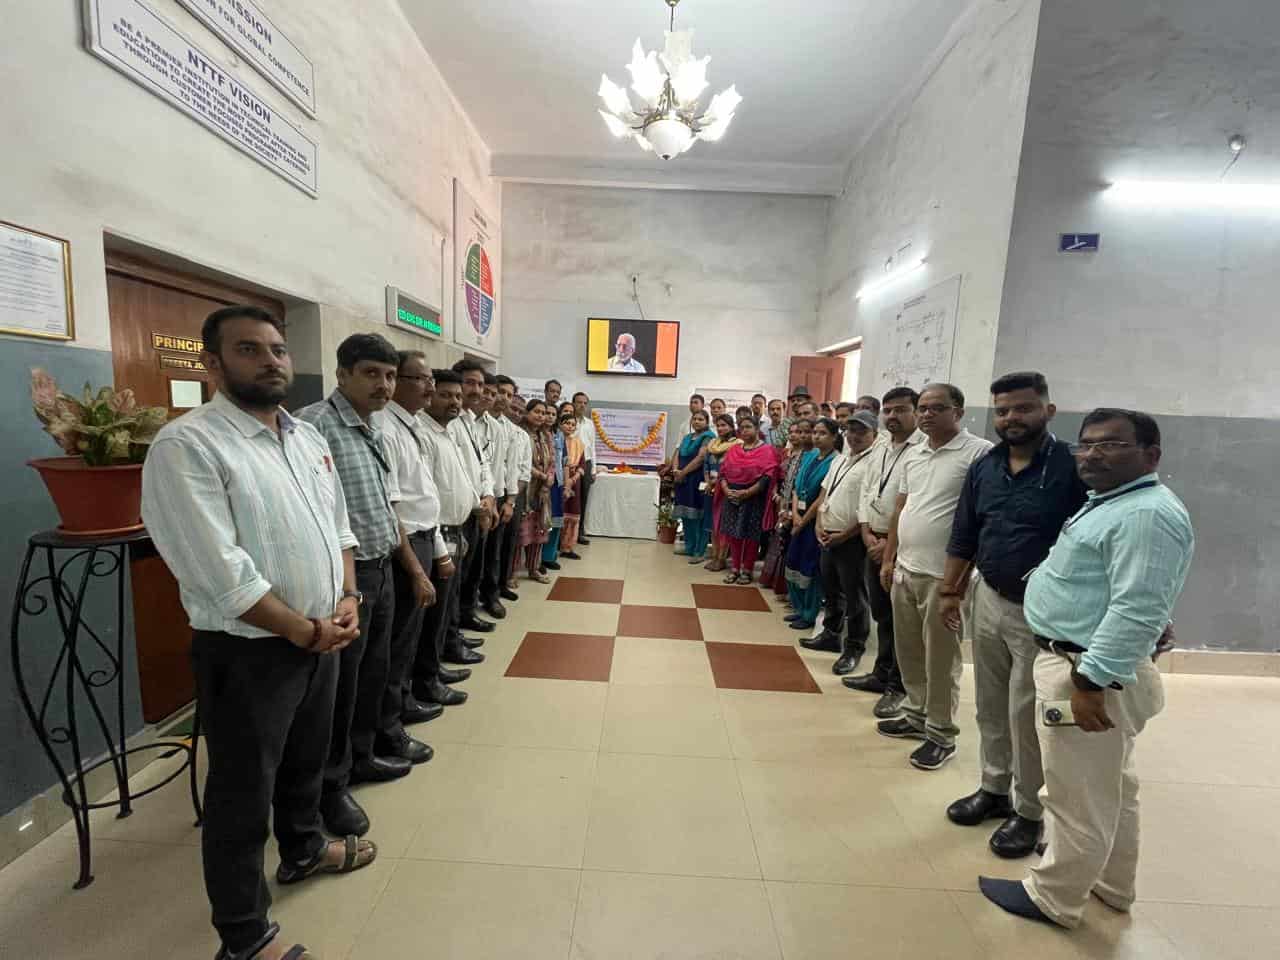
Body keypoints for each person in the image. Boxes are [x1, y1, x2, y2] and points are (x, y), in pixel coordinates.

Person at [142, 306, 376, 960]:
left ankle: (303, 850)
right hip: (250, 654)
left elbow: (339, 530)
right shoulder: (188, 446)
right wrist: (302, 629)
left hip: (322, 637)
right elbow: (220, 575)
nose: (271, 360)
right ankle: (245, 938)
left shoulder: (306, 438)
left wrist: (348, 598)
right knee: (242, 796)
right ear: (213, 364)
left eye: (277, 349)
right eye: (250, 349)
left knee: (306, 762)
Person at [979, 409, 1194, 930]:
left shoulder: (1145, 514)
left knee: (1075, 793)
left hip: (1085, 669)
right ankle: (1111, 885)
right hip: (1084, 660)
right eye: (1087, 444)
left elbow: (1136, 609)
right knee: (1111, 785)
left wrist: (1091, 682)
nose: (1093, 454)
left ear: (1151, 455)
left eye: (1111, 445)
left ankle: (1054, 896)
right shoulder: (1114, 503)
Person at [941, 373, 1088, 859]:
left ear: (1048, 410)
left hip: (1040, 612)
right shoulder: (986, 466)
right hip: (987, 596)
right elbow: (965, 530)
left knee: (1025, 712)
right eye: (1003, 411)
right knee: (989, 702)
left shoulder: (1072, 467)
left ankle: (1028, 811)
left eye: (1023, 408)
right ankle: (994, 787)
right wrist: (950, 590)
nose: (1011, 419)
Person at [297, 334, 436, 832]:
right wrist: (346, 589)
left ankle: (361, 756)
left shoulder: (373, 427)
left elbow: (385, 507)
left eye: (390, 375)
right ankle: (329, 788)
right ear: (342, 374)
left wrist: (413, 568)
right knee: (340, 688)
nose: (384, 384)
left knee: (372, 674)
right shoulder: (313, 427)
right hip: (343, 580)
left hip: (380, 568)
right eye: (371, 373)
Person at [878, 384, 993, 770]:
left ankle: (941, 733)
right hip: (906, 570)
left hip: (944, 578)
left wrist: (956, 584)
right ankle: (915, 714)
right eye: (923, 408)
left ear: (958, 412)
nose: (926, 414)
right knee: (909, 650)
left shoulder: (979, 453)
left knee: (941, 659)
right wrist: (889, 559)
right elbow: (901, 508)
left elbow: (981, 520)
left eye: (936, 408)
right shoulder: (915, 453)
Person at [380, 353, 453, 756]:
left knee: (409, 637)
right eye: (422, 380)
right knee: (399, 641)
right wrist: (417, 566)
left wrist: (437, 549)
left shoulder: (410, 426)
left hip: (424, 537)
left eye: (430, 380)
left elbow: (424, 494)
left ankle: (403, 702)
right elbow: (394, 509)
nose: (430, 387)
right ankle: (389, 727)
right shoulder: (387, 429)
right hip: (404, 544)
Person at [845, 388, 923, 717]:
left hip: (898, 547)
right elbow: (867, 492)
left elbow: (911, 505)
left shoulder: (921, 450)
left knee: (900, 621)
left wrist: (887, 546)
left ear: (916, 412)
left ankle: (898, 686)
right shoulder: (882, 449)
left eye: (900, 410)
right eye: (887, 410)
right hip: (872, 540)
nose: (892, 416)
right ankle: (881, 673)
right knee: (882, 613)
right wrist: (866, 533)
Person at [414, 369, 483, 708]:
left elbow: (464, 479)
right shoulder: (423, 434)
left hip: (455, 530)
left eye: (457, 396)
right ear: (430, 395)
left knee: (445, 607)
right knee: (433, 614)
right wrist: (443, 546)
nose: (454, 401)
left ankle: (435, 668)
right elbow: (427, 495)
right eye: (446, 395)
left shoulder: (448, 432)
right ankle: (426, 681)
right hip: (436, 535)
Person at [810, 411, 880, 674]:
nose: (854, 436)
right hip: (827, 534)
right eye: (851, 431)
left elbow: (867, 508)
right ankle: (830, 634)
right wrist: (819, 523)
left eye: (862, 431)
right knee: (831, 588)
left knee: (855, 595)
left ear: (875, 434)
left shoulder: (874, 463)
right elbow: (825, 492)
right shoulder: (840, 459)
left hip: (851, 540)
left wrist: (844, 535)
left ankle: (854, 648)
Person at [449, 358, 498, 649]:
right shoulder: (448, 423)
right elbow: (457, 474)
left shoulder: (470, 421)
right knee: (454, 580)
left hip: (478, 508)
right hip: (462, 512)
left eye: (480, 384)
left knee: (470, 573)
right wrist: (480, 503)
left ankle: (463, 621)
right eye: (470, 383)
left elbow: (482, 465)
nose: (477, 390)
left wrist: (489, 495)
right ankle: (451, 637)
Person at [784, 418, 836, 627]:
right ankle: (798, 608)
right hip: (798, 517)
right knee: (793, 562)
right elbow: (797, 488)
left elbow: (821, 497)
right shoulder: (810, 456)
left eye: (822, 433)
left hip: (814, 521)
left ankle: (809, 614)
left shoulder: (835, 461)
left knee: (810, 567)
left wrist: (803, 521)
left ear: (834, 437)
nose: (816, 437)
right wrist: (795, 514)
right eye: (815, 432)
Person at [717, 415, 781, 583]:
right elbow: (723, 473)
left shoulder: (767, 450)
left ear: (757, 429)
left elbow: (768, 476)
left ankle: (747, 569)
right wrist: (726, 490)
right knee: (734, 534)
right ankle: (735, 568)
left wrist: (747, 492)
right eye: (741, 428)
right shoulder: (734, 450)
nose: (744, 431)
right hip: (731, 496)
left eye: (748, 427)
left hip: (754, 497)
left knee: (751, 535)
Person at [476, 373, 517, 621]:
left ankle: (490, 596)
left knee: (493, 550)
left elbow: (507, 468)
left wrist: (508, 501)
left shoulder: (503, 428)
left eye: (508, 395)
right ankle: (468, 604)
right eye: (497, 392)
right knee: (473, 556)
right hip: (473, 498)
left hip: (496, 496)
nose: (501, 398)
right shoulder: (467, 422)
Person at [759, 419, 810, 593]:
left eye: (799, 432)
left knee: (788, 542)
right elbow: (778, 475)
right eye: (792, 432)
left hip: (795, 503)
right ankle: (773, 580)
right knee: (778, 537)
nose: (795, 435)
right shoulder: (786, 453)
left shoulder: (807, 456)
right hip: (780, 498)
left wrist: (787, 503)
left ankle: (787, 587)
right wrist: (776, 491)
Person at [497, 376, 531, 599]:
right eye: (514, 408)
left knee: (509, 543)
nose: (517, 413)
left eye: (521, 411)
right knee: (492, 546)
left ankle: (502, 584)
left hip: (514, 496)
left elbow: (524, 471)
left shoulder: (522, 436)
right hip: (494, 494)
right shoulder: (496, 428)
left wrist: (512, 498)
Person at [518, 399, 554, 583]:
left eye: (543, 413)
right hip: (525, 489)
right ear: (527, 413)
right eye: (537, 412)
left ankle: (533, 569)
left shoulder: (545, 436)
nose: (541, 416)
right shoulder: (520, 433)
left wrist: (549, 479)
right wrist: (541, 475)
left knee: (538, 530)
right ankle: (511, 573)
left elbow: (552, 460)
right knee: (521, 532)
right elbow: (521, 461)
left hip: (542, 491)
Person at [672, 411, 716, 562]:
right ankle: (689, 547)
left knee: (698, 515)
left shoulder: (708, 437)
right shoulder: (687, 437)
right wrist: (675, 470)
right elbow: (677, 453)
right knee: (686, 514)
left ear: (707, 422)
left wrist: (683, 472)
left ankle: (699, 551)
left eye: (700, 419)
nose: (697, 421)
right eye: (695, 419)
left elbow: (701, 458)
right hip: (682, 480)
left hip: (697, 479)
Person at [702, 414, 742, 572]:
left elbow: (732, 468)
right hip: (710, 489)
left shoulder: (737, 445)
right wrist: (708, 482)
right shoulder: (713, 444)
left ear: (731, 427)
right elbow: (706, 464)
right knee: (713, 524)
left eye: (724, 425)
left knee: (723, 524)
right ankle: (714, 556)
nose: (720, 428)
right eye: (718, 425)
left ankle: (721, 559)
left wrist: (716, 482)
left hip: (726, 489)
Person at [542, 410, 571, 570]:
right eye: (547, 413)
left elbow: (565, 463)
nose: (549, 417)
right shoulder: (538, 434)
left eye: (553, 414)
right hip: (541, 482)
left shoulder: (559, 436)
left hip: (557, 483)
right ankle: (536, 559)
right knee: (541, 520)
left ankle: (549, 556)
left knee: (556, 520)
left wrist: (566, 485)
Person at [558, 409, 587, 559]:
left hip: (575, 482)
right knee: (558, 513)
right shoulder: (556, 441)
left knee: (573, 513)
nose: (570, 426)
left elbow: (582, 464)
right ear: (560, 424)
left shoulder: (578, 443)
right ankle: (553, 548)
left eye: (573, 424)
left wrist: (573, 478)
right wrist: (565, 480)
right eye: (567, 423)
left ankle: (567, 547)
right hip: (558, 480)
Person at [573, 391, 596, 545]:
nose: (582, 405)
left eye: (585, 403)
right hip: (572, 463)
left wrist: (593, 469)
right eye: (579, 402)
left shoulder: (589, 423)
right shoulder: (568, 421)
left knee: (583, 499)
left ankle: (579, 533)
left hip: (586, 463)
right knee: (571, 500)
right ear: (573, 403)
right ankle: (567, 534)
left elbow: (592, 446)